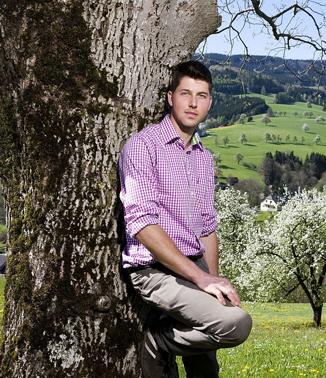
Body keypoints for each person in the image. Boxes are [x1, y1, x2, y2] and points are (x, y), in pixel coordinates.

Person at [119, 61, 252, 377]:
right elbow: (140, 223)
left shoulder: (204, 157)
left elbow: (207, 227)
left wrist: (213, 279)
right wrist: (200, 278)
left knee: (205, 368)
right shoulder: (142, 146)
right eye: (186, 93)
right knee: (236, 324)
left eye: (202, 95)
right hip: (154, 270)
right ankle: (158, 341)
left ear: (209, 102)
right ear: (170, 97)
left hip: (195, 266)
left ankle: (169, 337)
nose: (193, 103)